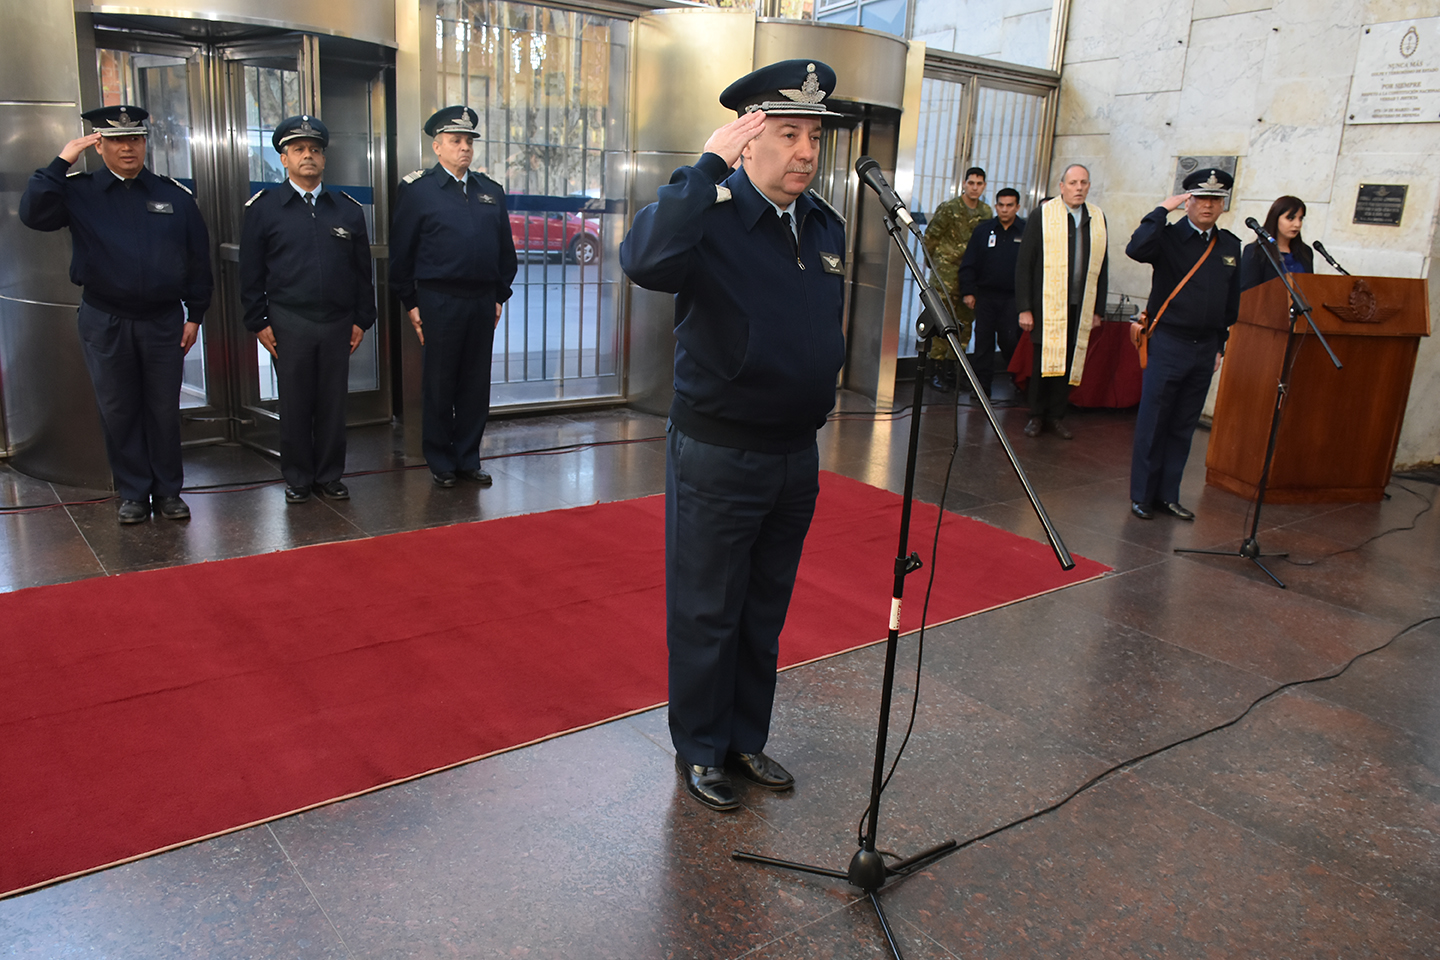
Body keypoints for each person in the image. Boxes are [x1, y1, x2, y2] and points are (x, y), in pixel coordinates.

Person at [620, 60, 847, 812]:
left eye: (814, 137)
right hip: (720, 451)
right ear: (747, 141)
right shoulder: (709, 214)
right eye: (787, 134)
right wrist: (703, 169)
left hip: (795, 452)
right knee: (707, 609)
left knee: (763, 608)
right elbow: (644, 260)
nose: (805, 152)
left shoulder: (822, 223)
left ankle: (745, 738)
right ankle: (701, 748)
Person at [18, 105, 212, 525]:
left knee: (163, 409)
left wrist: (195, 314)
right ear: (99, 145)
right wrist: (61, 161)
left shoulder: (172, 195)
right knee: (119, 409)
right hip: (105, 318)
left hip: (162, 319)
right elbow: (32, 214)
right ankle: (134, 493)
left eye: (136, 139)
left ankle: (168, 492)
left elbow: (198, 258)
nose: (128, 148)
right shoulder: (79, 191)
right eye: (118, 140)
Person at [240, 115, 376, 504]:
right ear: (284, 158)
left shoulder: (345, 209)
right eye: (298, 149)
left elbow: (361, 271)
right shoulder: (265, 209)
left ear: (324, 159)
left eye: (315, 149)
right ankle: (298, 477)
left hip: (337, 321)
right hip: (289, 320)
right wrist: (258, 320)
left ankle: (329, 475)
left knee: (333, 403)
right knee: (296, 402)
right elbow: (250, 271)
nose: (308, 156)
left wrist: (361, 319)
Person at [390, 105, 518, 488]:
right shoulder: (418, 191)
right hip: (439, 298)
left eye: (468, 142)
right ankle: (441, 460)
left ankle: (468, 457)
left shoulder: (489, 191)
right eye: (455, 141)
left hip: (481, 300)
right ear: (437, 146)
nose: (464, 148)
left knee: (475, 384)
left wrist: (499, 295)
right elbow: (402, 252)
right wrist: (410, 302)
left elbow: (505, 251)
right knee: (440, 381)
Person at [1125, 168, 1242, 521]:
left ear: (1223, 205)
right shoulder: (1168, 237)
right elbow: (1136, 248)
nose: (1208, 205)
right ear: (1188, 201)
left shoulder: (1230, 245)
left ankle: (1167, 495)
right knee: (1154, 422)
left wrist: (1220, 344)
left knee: (1183, 424)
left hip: (1205, 347)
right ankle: (1143, 495)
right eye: (1201, 198)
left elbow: (1230, 303)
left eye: (1216, 200)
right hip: (1168, 342)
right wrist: (1162, 209)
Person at [1014, 164, 1108, 439]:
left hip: (1080, 305)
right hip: (1047, 305)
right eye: (1073, 183)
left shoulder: (1096, 217)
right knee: (1043, 362)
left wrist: (1098, 309)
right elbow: (1025, 264)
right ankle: (1036, 415)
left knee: (1068, 362)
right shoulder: (1043, 214)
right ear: (1062, 186)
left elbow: (1102, 266)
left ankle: (1056, 416)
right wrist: (1025, 307)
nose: (1079, 188)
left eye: (1083, 183)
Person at [922, 167, 992, 392]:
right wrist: (933, 264)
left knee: (964, 325)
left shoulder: (986, 212)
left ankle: (952, 371)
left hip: (970, 278)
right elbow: (930, 238)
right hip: (946, 274)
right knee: (941, 322)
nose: (974, 188)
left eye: (979, 184)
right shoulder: (949, 208)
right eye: (971, 183)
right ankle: (935, 371)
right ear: (964, 183)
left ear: (984, 186)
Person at [955, 187, 1025, 402]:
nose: (1004, 209)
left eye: (1009, 205)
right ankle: (982, 387)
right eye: (1001, 205)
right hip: (985, 296)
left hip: (1013, 298)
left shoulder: (1026, 231)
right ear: (996, 206)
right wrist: (968, 291)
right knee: (983, 343)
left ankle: (1019, 381)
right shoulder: (983, 230)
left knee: (1010, 340)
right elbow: (969, 263)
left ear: (1017, 207)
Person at [1240, 195, 1312, 291]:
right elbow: (1247, 292)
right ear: (1275, 218)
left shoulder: (1306, 252)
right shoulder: (1256, 251)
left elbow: (1310, 288)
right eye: (1291, 218)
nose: (1297, 224)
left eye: (1300, 219)